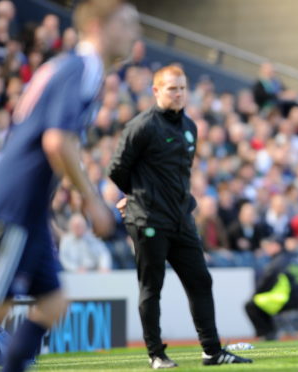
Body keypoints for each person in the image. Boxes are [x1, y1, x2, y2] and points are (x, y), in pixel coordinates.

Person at [0, 1, 139, 370]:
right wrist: (92, 201)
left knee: (53, 303)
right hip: (14, 204)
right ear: (99, 27)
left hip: (30, 210)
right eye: (127, 24)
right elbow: (56, 141)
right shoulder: (81, 68)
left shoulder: (78, 69)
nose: (135, 34)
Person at [108, 64, 252, 368]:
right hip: (148, 219)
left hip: (181, 218)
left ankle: (212, 352)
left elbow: (180, 173)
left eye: (183, 88)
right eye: (172, 88)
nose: (179, 93)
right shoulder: (142, 126)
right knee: (152, 287)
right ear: (156, 90)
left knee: (201, 280)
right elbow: (116, 169)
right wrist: (135, 196)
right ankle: (156, 354)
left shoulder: (190, 127)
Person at [244, 236, 298, 341]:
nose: (266, 249)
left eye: (269, 246)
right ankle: (270, 333)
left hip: (284, 300)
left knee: (250, 305)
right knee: (260, 306)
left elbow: (266, 282)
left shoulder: (278, 262)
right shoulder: (291, 258)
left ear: (277, 246)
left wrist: (255, 294)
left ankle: (267, 334)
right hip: (296, 299)